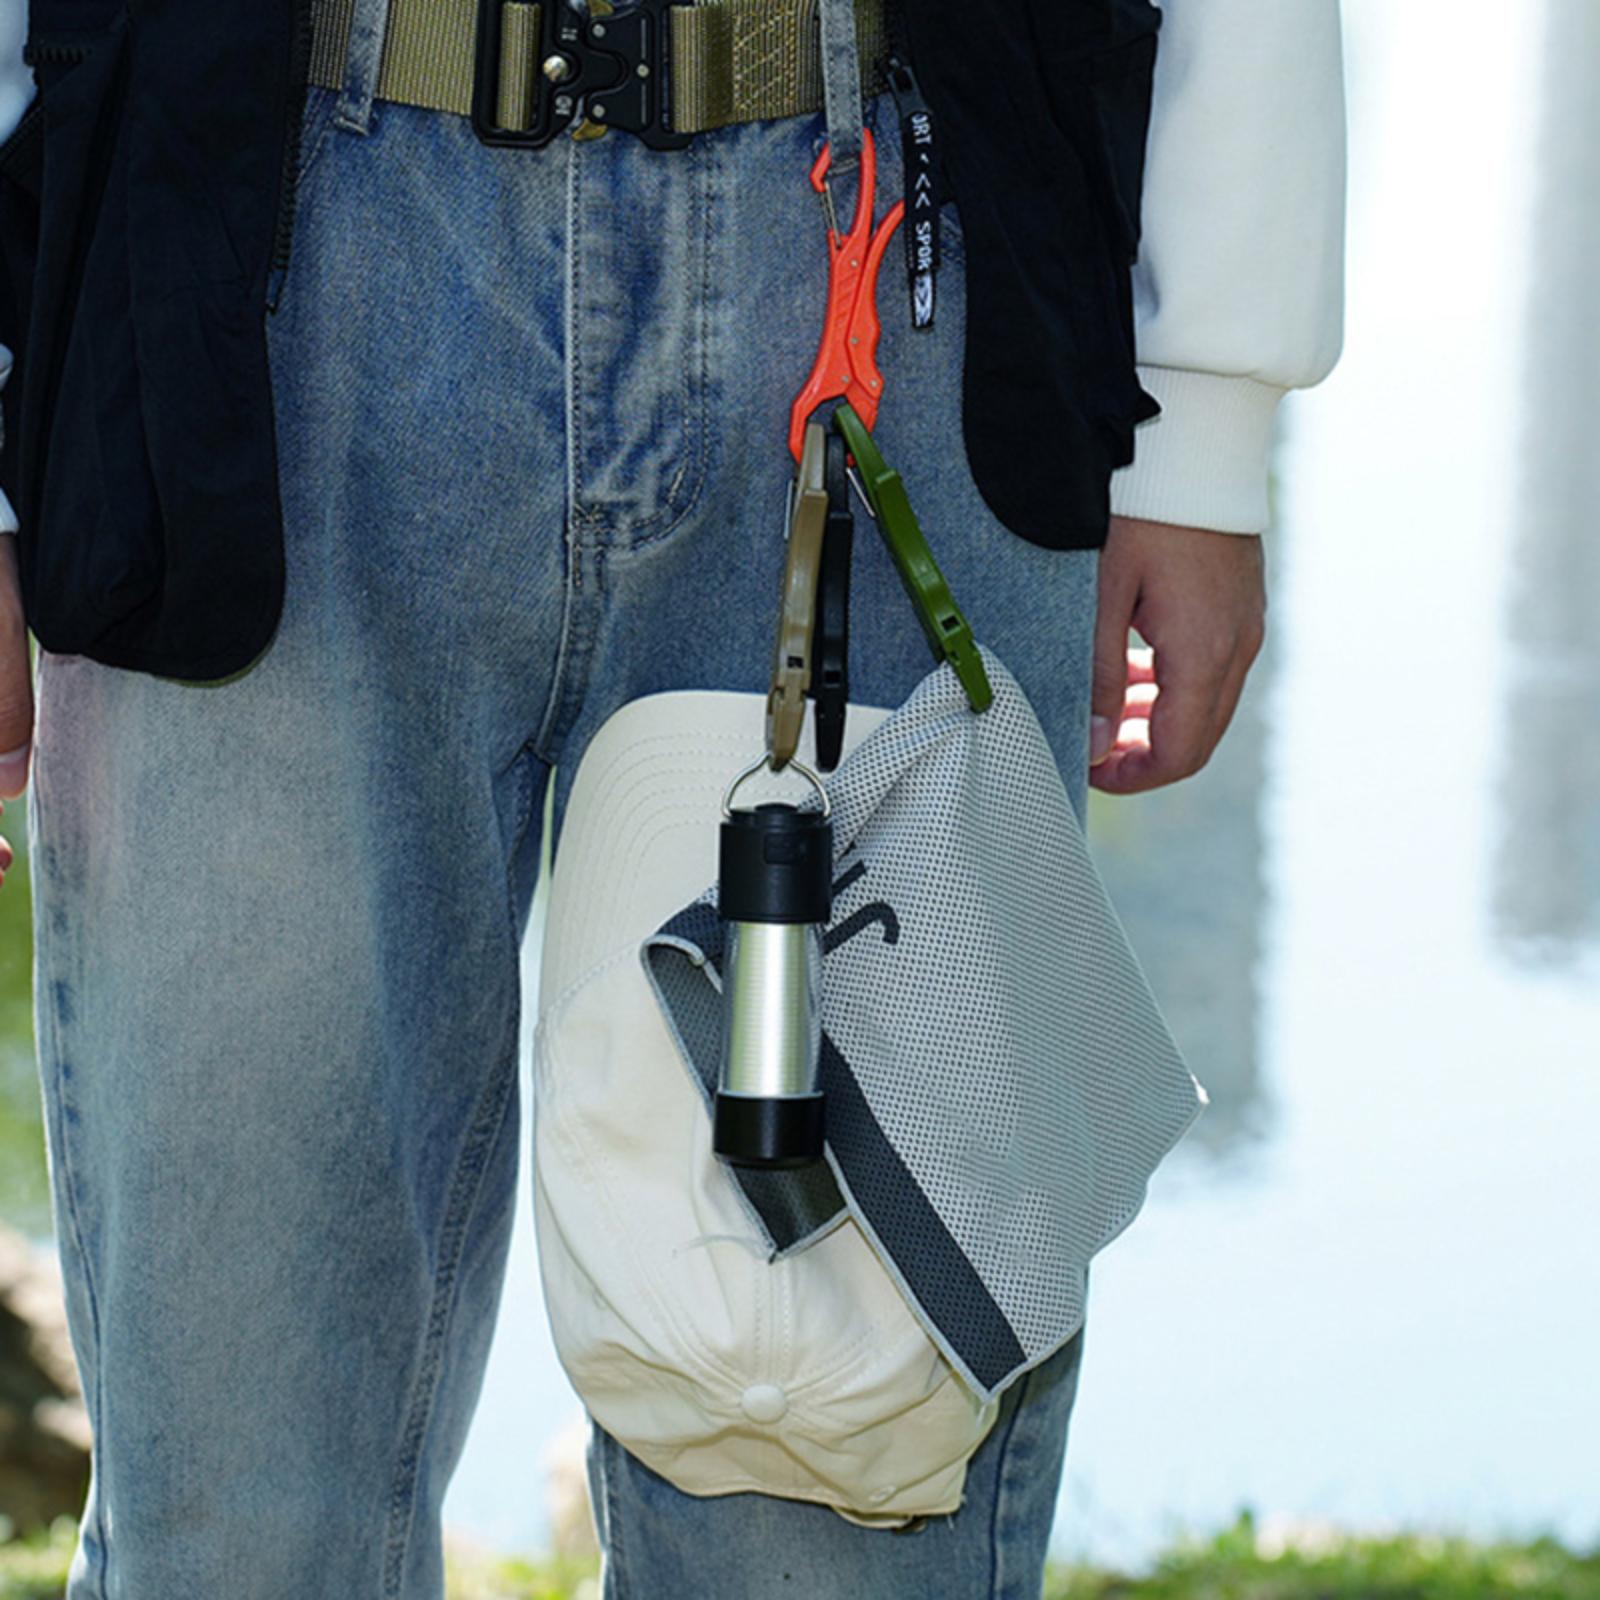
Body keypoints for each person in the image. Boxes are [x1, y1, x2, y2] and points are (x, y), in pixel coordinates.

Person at [0, 0, 1345, 1593]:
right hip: (249, 279)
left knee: (844, 1467)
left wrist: (1204, 415)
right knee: (239, 1525)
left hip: (886, 270)